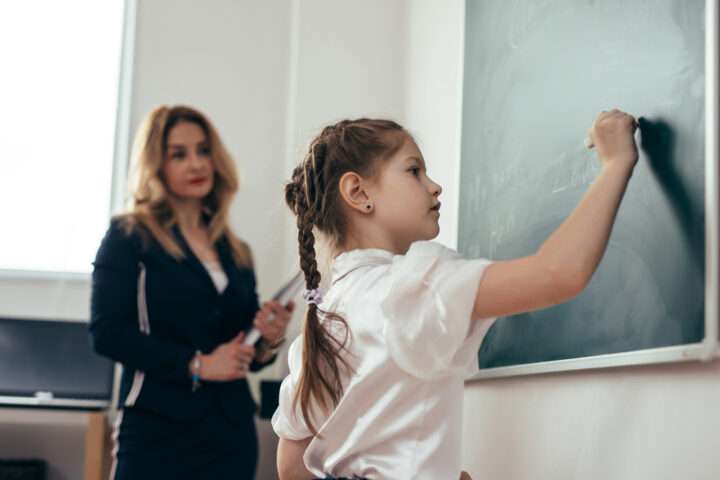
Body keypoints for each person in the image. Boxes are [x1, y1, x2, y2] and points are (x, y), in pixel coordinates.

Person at [272, 112, 638, 479]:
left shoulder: (320, 322)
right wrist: (616, 162)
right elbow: (560, 273)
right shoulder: (410, 286)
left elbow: (291, 467)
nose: (434, 186)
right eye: (414, 170)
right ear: (359, 193)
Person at [89, 105, 293, 479]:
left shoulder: (236, 251)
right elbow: (106, 333)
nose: (197, 164)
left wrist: (268, 339)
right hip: (157, 428)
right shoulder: (128, 237)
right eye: (178, 154)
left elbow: (242, 351)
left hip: (230, 433)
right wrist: (197, 364)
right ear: (155, 165)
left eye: (203, 150)